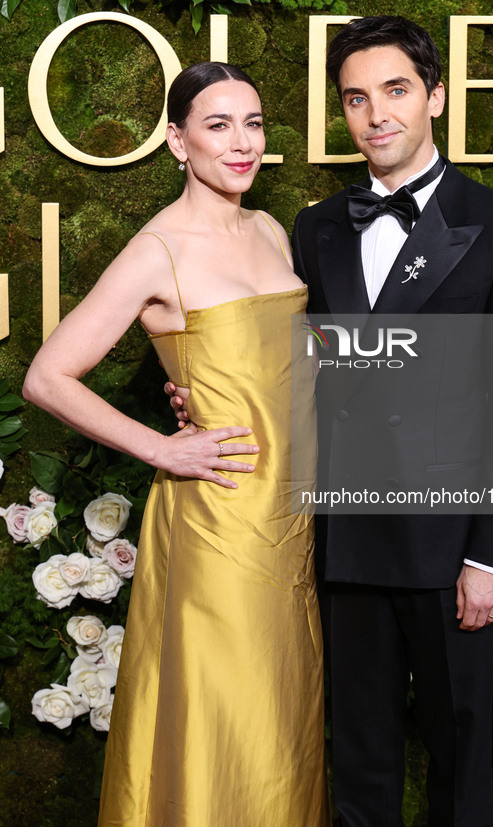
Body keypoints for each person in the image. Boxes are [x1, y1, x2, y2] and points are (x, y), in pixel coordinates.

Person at [23, 62, 329, 827]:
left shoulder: (268, 229)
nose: (241, 142)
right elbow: (47, 376)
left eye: (253, 123)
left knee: (285, 718)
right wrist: (164, 449)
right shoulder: (158, 248)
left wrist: (217, 375)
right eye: (218, 125)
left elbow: (276, 362)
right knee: (229, 714)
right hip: (216, 523)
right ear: (177, 140)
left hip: (289, 519)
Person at [291, 16, 493, 827]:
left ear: (435, 95)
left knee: (458, 752)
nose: (377, 115)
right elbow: (299, 369)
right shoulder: (316, 228)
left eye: (396, 90)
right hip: (349, 535)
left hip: (452, 547)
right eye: (356, 98)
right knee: (357, 756)